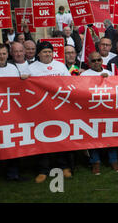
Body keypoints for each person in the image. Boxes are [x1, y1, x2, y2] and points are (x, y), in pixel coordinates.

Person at [0, 43, 28, 194]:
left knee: (13, 145)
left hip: (11, 116)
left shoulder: (12, 69)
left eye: (4, 54)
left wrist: (24, 80)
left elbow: (19, 90)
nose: (2, 57)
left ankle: (12, 174)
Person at [28, 41, 73, 183]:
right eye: (44, 52)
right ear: (38, 54)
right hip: (41, 109)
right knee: (42, 140)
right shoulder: (31, 68)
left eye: (49, 51)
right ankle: (43, 170)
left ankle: (64, 166)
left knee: (62, 137)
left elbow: (69, 83)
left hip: (60, 108)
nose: (47, 54)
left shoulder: (60, 66)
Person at [80, 52, 118, 174]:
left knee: (111, 135)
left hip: (108, 109)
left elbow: (117, 89)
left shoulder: (109, 73)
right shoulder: (84, 75)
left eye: (99, 60)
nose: (97, 62)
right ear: (88, 62)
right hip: (92, 110)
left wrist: (109, 79)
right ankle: (95, 162)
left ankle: (113, 160)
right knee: (93, 136)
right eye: (94, 60)